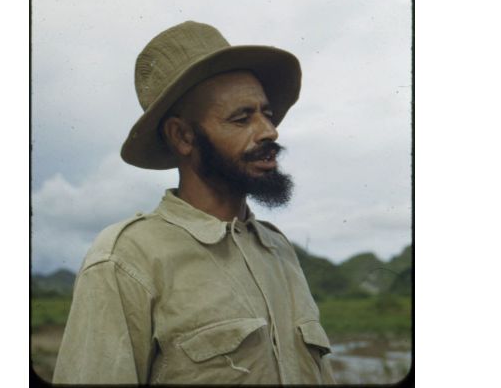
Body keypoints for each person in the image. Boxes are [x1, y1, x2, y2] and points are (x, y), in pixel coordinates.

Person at [52, 21, 335, 385]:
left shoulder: (279, 251)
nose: (269, 131)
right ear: (183, 136)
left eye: (266, 112)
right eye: (242, 117)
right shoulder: (127, 259)